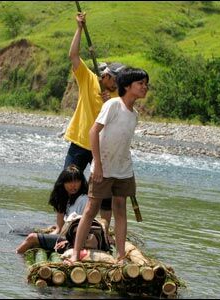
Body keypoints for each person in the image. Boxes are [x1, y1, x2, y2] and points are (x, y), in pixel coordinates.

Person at [68, 67, 150, 264]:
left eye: (146, 84)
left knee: (120, 209)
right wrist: (97, 165)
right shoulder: (113, 105)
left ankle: (121, 256)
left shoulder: (134, 114)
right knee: (91, 208)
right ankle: (75, 253)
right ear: (127, 86)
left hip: (124, 169)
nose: (145, 87)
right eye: (140, 83)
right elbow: (93, 132)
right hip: (103, 167)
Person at [64, 12, 125, 225]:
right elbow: (73, 56)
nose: (117, 83)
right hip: (81, 141)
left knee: (104, 189)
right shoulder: (89, 79)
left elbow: (120, 124)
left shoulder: (119, 97)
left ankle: (104, 229)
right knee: (69, 182)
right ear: (106, 76)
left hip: (103, 148)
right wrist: (79, 28)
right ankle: (66, 223)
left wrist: (111, 102)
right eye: (115, 79)